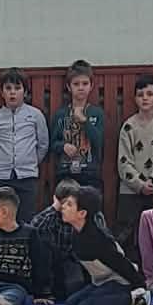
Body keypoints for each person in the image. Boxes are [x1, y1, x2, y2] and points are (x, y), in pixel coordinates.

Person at [57, 184, 149, 305]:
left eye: (69, 204)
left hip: (120, 281)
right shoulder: (75, 233)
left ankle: (133, 299)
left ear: (82, 213)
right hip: (101, 282)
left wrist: (140, 286)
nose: (63, 207)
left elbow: (121, 264)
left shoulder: (98, 239)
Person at [115, 74, 153, 253]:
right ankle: (127, 267)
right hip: (130, 189)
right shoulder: (129, 126)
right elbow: (123, 161)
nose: (145, 98)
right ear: (135, 98)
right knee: (125, 233)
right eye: (140, 94)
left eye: (150, 94)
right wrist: (140, 184)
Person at [0, 188, 54, 305]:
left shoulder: (30, 233)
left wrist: (41, 293)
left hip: (16, 286)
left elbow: (40, 264)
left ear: (4, 212)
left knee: (8, 300)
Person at [0, 69, 49, 220]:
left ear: (25, 92)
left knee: (26, 217)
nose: (12, 92)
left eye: (17, 88)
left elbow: (43, 144)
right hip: (1, 176)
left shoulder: (35, 115)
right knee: (1, 217)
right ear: (2, 92)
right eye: (8, 88)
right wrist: (1, 163)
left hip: (27, 176)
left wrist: (30, 161)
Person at [50, 61, 104, 202]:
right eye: (76, 84)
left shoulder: (96, 113)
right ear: (69, 86)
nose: (81, 88)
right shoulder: (60, 115)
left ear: (91, 86)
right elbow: (52, 143)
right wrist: (63, 146)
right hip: (65, 173)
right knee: (65, 210)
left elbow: (98, 142)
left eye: (85, 83)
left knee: (89, 209)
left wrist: (84, 121)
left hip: (89, 172)